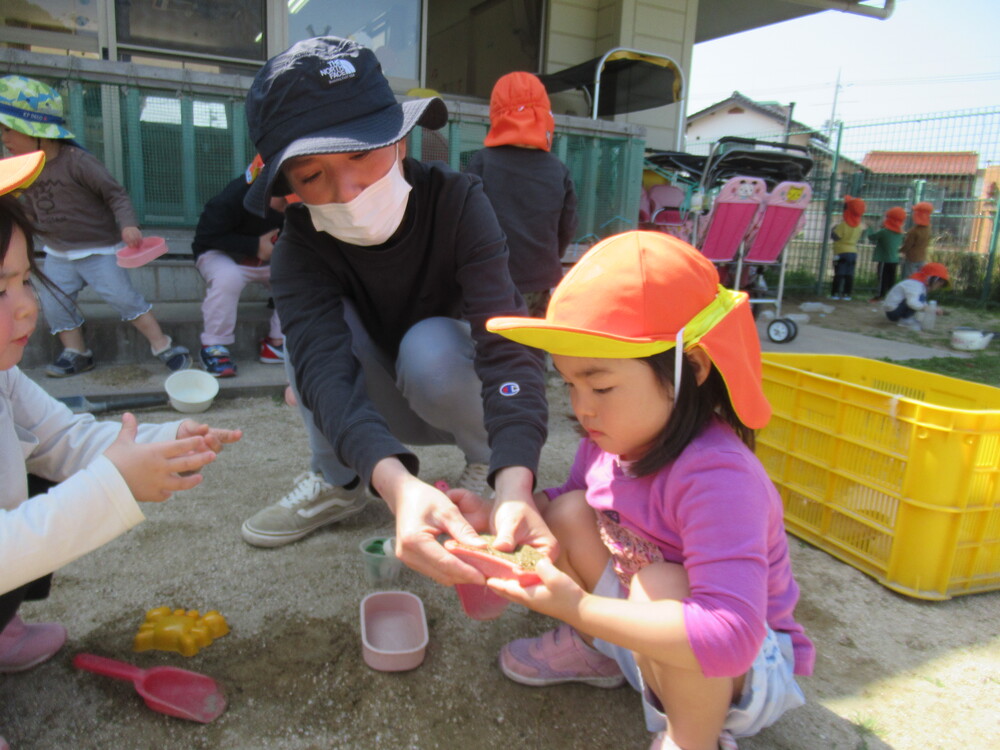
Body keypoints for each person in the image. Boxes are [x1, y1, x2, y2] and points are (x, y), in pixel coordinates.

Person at [484, 230, 814, 750]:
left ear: (693, 368)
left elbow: (729, 638)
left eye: (601, 386)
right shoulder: (612, 437)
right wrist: (494, 513)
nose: (582, 406)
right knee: (570, 512)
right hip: (648, 632)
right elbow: (562, 503)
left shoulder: (719, 477)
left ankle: (693, 739)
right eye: (569, 384)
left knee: (661, 584)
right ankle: (601, 653)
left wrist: (579, 608)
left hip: (743, 670)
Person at [238, 36, 549, 582]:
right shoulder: (301, 249)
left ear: (401, 139)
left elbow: (507, 343)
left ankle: (487, 465)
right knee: (305, 351)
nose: (350, 188)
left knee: (429, 345)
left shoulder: (458, 202)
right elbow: (327, 376)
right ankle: (342, 482)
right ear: (287, 187)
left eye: (362, 151)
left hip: (455, 388)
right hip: (375, 398)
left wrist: (517, 476)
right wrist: (398, 485)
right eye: (312, 175)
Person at [0, 151, 242, 678]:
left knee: (38, 474)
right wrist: (114, 483)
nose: (25, 306)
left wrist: (165, 440)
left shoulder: (4, 377)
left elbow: (63, 437)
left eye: (24, 280)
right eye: (1, 289)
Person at [0, 74, 191, 378]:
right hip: (58, 253)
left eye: (9, 130)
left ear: (37, 130)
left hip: (100, 250)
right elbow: (25, 209)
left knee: (124, 298)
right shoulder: (25, 168)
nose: (4, 139)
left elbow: (115, 194)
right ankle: (77, 352)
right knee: (53, 304)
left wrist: (128, 225)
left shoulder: (77, 162)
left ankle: (162, 345)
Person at [464, 72, 578, 317]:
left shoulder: (482, 163)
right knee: (532, 346)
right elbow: (567, 226)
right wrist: (547, 258)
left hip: (491, 280)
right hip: (540, 280)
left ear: (496, 115)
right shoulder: (558, 170)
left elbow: (464, 222)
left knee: (491, 347)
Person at [192, 157, 287, 377]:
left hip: (270, 260)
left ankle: (277, 342)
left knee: (299, 276)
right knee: (228, 276)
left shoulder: (301, 203)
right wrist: (254, 246)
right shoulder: (232, 198)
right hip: (222, 256)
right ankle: (214, 346)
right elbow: (206, 236)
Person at [882, 262, 949, 331]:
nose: (940, 286)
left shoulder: (920, 285)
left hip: (894, 310)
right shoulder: (915, 284)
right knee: (918, 299)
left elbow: (922, 303)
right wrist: (927, 308)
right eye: (940, 282)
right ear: (933, 279)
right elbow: (912, 302)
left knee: (920, 298)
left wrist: (932, 309)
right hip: (893, 312)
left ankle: (906, 318)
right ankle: (905, 319)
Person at [829, 195, 866, 301]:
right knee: (849, 274)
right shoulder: (859, 226)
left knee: (839, 274)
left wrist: (833, 229)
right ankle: (847, 294)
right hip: (853, 252)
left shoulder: (843, 225)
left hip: (841, 252)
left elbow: (835, 237)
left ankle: (835, 293)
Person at [867, 206, 907, 302]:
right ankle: (891, 296)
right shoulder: (901, 234)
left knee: (882, 278)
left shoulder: (884, 232)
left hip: (884, 259)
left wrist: (869, 228)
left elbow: (872, 237)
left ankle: (879, 296)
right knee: (891, 279)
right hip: (894, 259)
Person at [900, 201, 934, 279]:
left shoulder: (914, 231)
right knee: (921, 277)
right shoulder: (928, 229)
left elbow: (907, 245)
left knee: (910, 277)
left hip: (912, 257)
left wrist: (900, 250)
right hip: (922, 256)